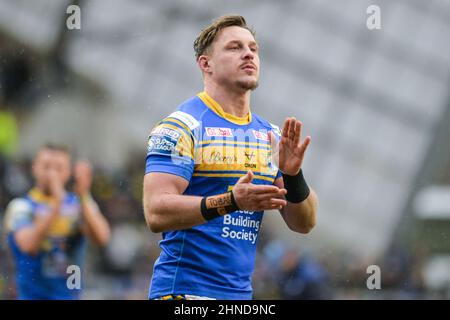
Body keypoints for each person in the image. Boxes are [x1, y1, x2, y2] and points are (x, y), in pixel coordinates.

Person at [143, 15, 319, 300]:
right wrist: (231, 201)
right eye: (234, 47)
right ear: (206, 64)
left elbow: (304, 223)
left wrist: (292, 175)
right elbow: (156, 211)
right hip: (183, 294)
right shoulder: (181, 128)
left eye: (253, 48)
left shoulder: (270, 136)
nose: (248, 53)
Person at [3, 144, 111, 299]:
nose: (52, 174)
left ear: (68, 172)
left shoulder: (79, 205)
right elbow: (28, 246)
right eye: (46, 166)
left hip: (69, 295)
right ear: (35, 167)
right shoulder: (22, 206)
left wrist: (84, 194)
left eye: (58, 168)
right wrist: (57, 204)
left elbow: (102, 238)